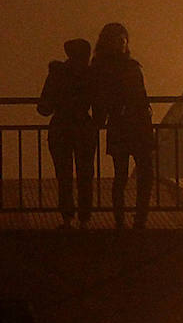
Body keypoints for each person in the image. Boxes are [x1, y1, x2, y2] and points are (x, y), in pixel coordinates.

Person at [89, 22, 154, 228]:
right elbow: (102, 98)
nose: (123, 43)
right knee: (125, 174)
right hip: (127, 125)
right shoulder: (120, 67)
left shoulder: (103, 67)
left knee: (136, 173)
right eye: (119, 39)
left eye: (124, 39)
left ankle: (134, 219)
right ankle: (127, 219)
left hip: (131, 125)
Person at [37, 38, 96, 228]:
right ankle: (85, 218)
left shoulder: (57, 74)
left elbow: (44, 107)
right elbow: (99, 103)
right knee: (85, 174)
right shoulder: (91, 75)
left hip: (60, 128)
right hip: (84, 128)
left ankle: (66, 217)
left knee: (64, 175)